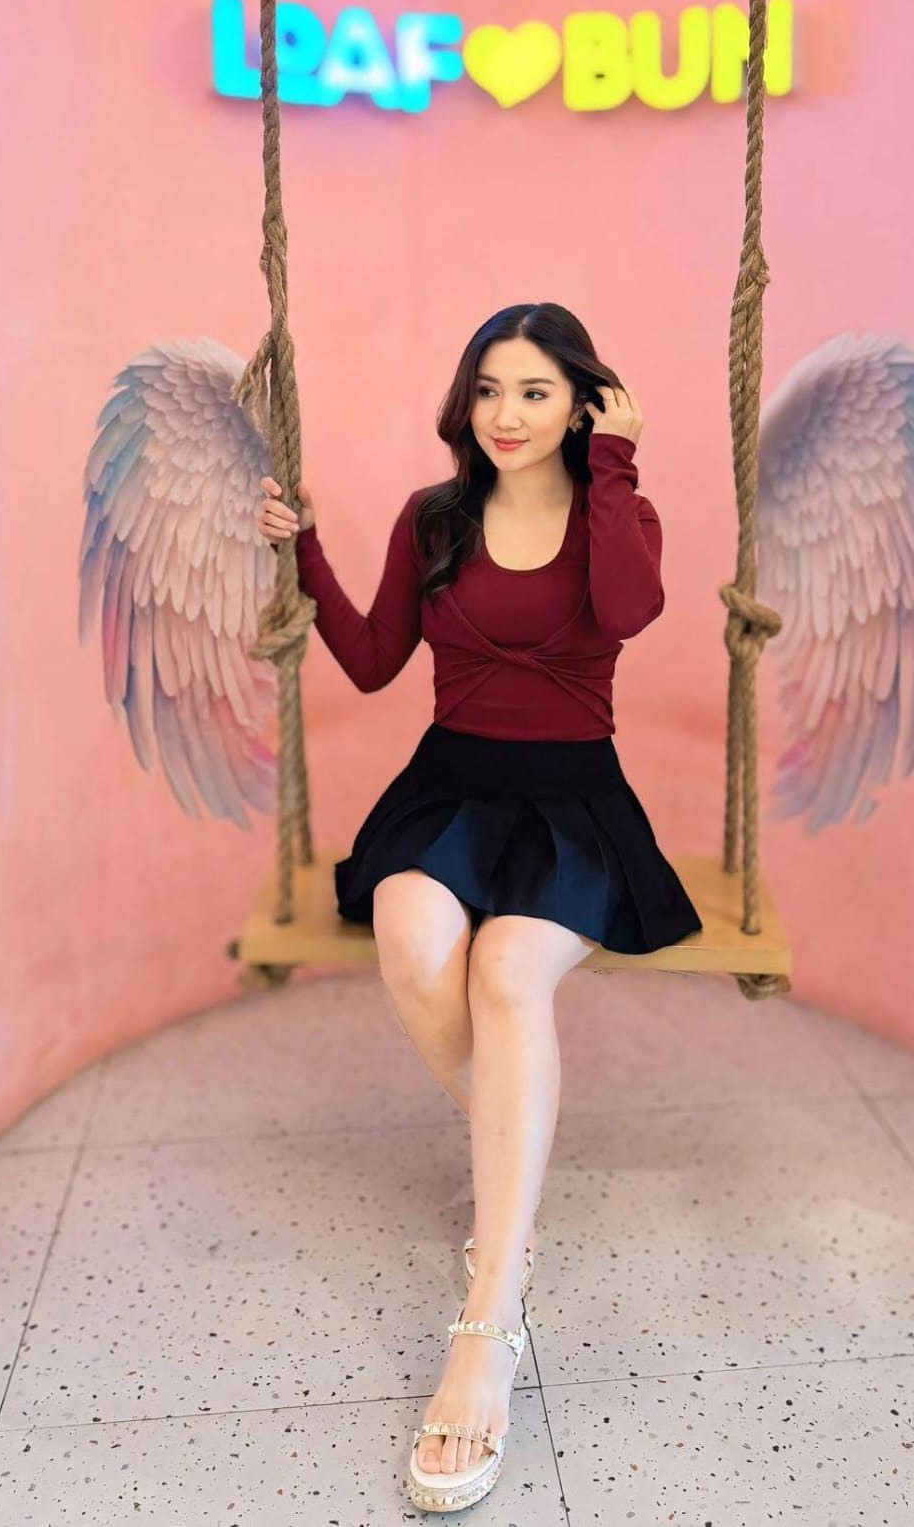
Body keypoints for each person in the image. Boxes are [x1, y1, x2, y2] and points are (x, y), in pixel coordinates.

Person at [256, 301, 702, 1512]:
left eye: (536, 392)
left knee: (506, 973)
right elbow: (370, 661)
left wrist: (617, 464)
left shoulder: (623, 514)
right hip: (448, 790)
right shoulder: (435, 519)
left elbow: (629, 613)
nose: (506, 414)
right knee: (413, 940)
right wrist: (304, 551)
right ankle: (517, 1156)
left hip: (573, 803)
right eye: (490, 389)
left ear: (584, 405)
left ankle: (488, 1318)